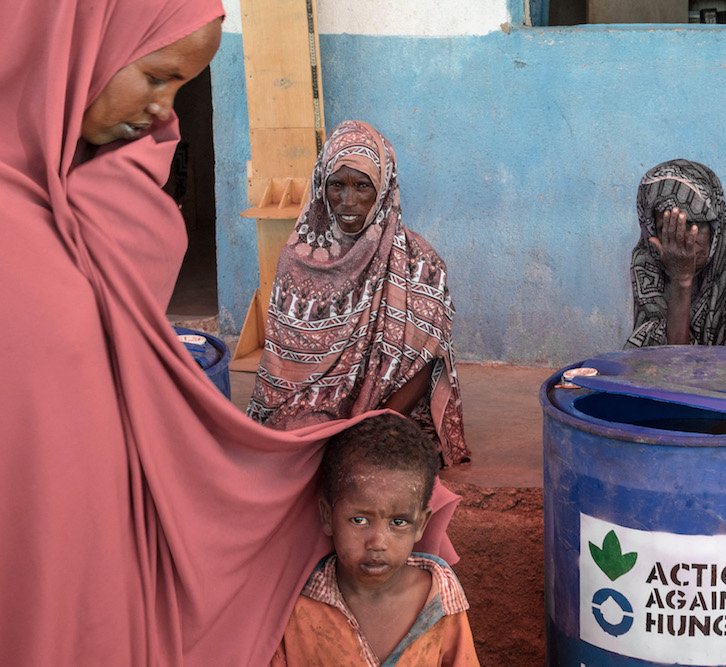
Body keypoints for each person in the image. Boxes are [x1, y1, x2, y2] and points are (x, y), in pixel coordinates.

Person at [0, 2, 457, 663]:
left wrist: (336, 452)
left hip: (88, 558)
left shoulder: (88, 208)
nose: (165, 113)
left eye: (180, 88)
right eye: (158, 76)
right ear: (72, 44)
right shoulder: (298, 262)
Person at [247, 120, 471, 467]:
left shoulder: (419, 265)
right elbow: (282, 369)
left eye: (362, 187)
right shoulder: (297, 259)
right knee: (289, 455)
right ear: (322, 185)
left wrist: (369, 431)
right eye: (337, 185)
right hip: (310, 412)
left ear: (383, 189)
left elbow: (424, 360)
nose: (347, 202)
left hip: (384, 413)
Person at [272, 413, 480, 665]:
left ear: (421, 524)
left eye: (398, 522)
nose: (378, 542)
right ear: (327, 516)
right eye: (359, 520)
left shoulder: (440, 599)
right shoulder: (301, 602)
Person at [625, 159, 726, 352]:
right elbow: (664, 360)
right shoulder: (648, 262)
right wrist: (681, 279)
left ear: (715, 225)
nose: (684, 240)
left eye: (694, 225)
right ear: (651, 232)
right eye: (668, 229)